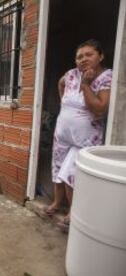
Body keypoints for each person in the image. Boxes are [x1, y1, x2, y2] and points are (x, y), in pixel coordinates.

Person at [44, 39, 112, 231]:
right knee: (57, 169)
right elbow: (61, 83)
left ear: (101, 56)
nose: (83, 59)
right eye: (79, 57)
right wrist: (65, 102)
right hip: (63, 133)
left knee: (72, 174)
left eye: (89, 54)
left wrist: (86, 85)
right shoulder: (71, 74)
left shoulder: (106, 77)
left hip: (86, 139)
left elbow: (99, 109)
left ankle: (74, 212)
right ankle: (57, 203)